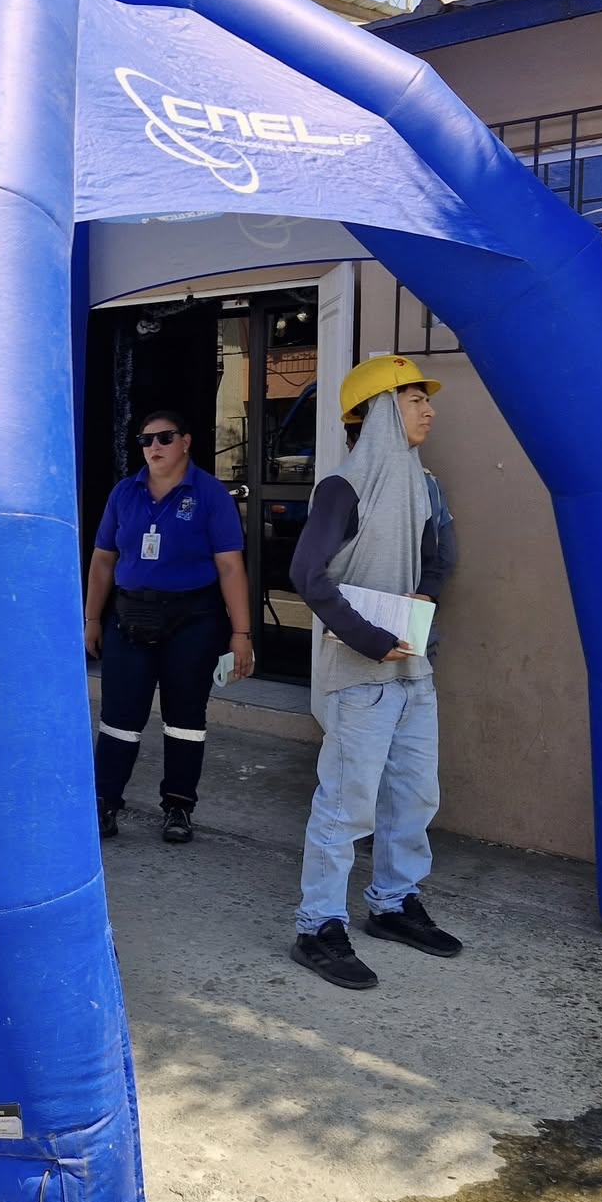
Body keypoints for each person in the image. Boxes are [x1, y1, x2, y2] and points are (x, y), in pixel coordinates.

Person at [287, 358, 458, 991]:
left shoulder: (423, 484)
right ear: (382, 409)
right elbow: (306, 575)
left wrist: (420, 606)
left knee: (414, 794)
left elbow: (439, 559)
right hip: (360, 676)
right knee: (345, 804)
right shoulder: (342, 488)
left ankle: (393, 903)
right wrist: (370, 637)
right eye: (413, 398)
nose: (428, 409)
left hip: (412, 670)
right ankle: (318, 926)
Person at [84, 409, 254, 845]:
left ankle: (178, 807)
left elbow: (230, 567)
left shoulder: (210, 495)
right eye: (145, 440)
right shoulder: (124, 493)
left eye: (164, 438)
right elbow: (103, 560)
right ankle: (104, 803)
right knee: (119, 717)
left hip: (192, 619)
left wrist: (241, 634)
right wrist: (91, 619)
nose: (154, 447)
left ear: (186, 441)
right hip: (130, 616)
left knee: (185, 719)